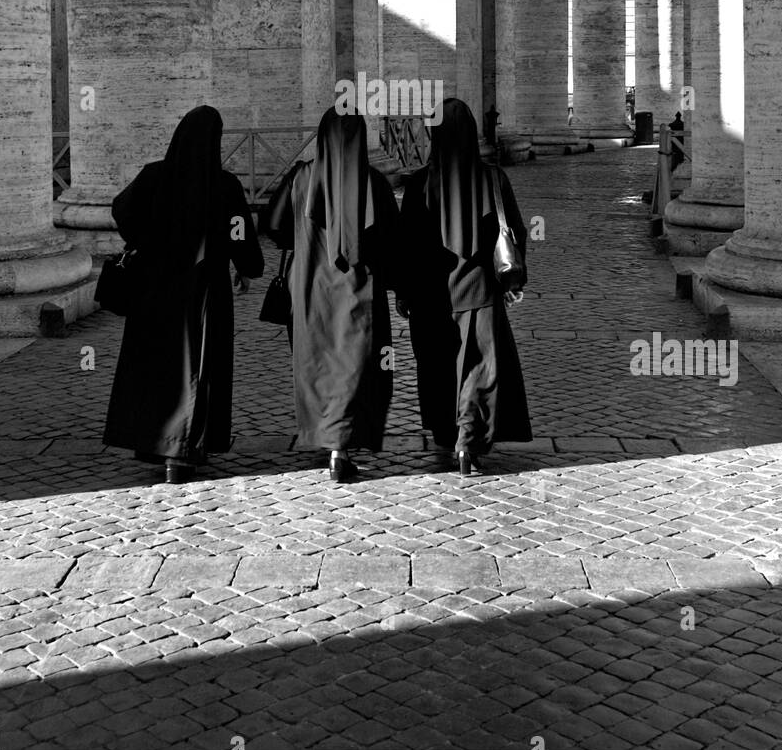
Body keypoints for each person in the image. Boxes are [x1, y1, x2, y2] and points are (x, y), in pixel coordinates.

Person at [103, 105, 264, 483]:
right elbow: (239, 234)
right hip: (205, 293)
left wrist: (147, 240)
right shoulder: (225, 186)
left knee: (159, 366)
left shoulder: (154, 176)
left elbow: (122, 211)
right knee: (199, 368)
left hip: (154, 291)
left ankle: (155, 442)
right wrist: (246, 267)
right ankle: (186, 451)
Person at [397, 97, 532, 474]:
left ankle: (446, 431)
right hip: (480, 291)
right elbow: (514, 232)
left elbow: (404, 244)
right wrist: (511, 281)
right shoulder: (492, 178)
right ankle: (466, 441)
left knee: (438, 366)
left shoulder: (419, 184)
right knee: (479, 369)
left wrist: (404, 292)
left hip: (430, 295)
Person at [265, 107, 400, 483]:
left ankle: (330, 443)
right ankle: (342, 449)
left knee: (318, 366)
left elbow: (273, 227)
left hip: (310, 289)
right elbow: (393, 243)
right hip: (360, 293)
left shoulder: (301, 179)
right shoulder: (375, 182)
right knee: (354, 368)